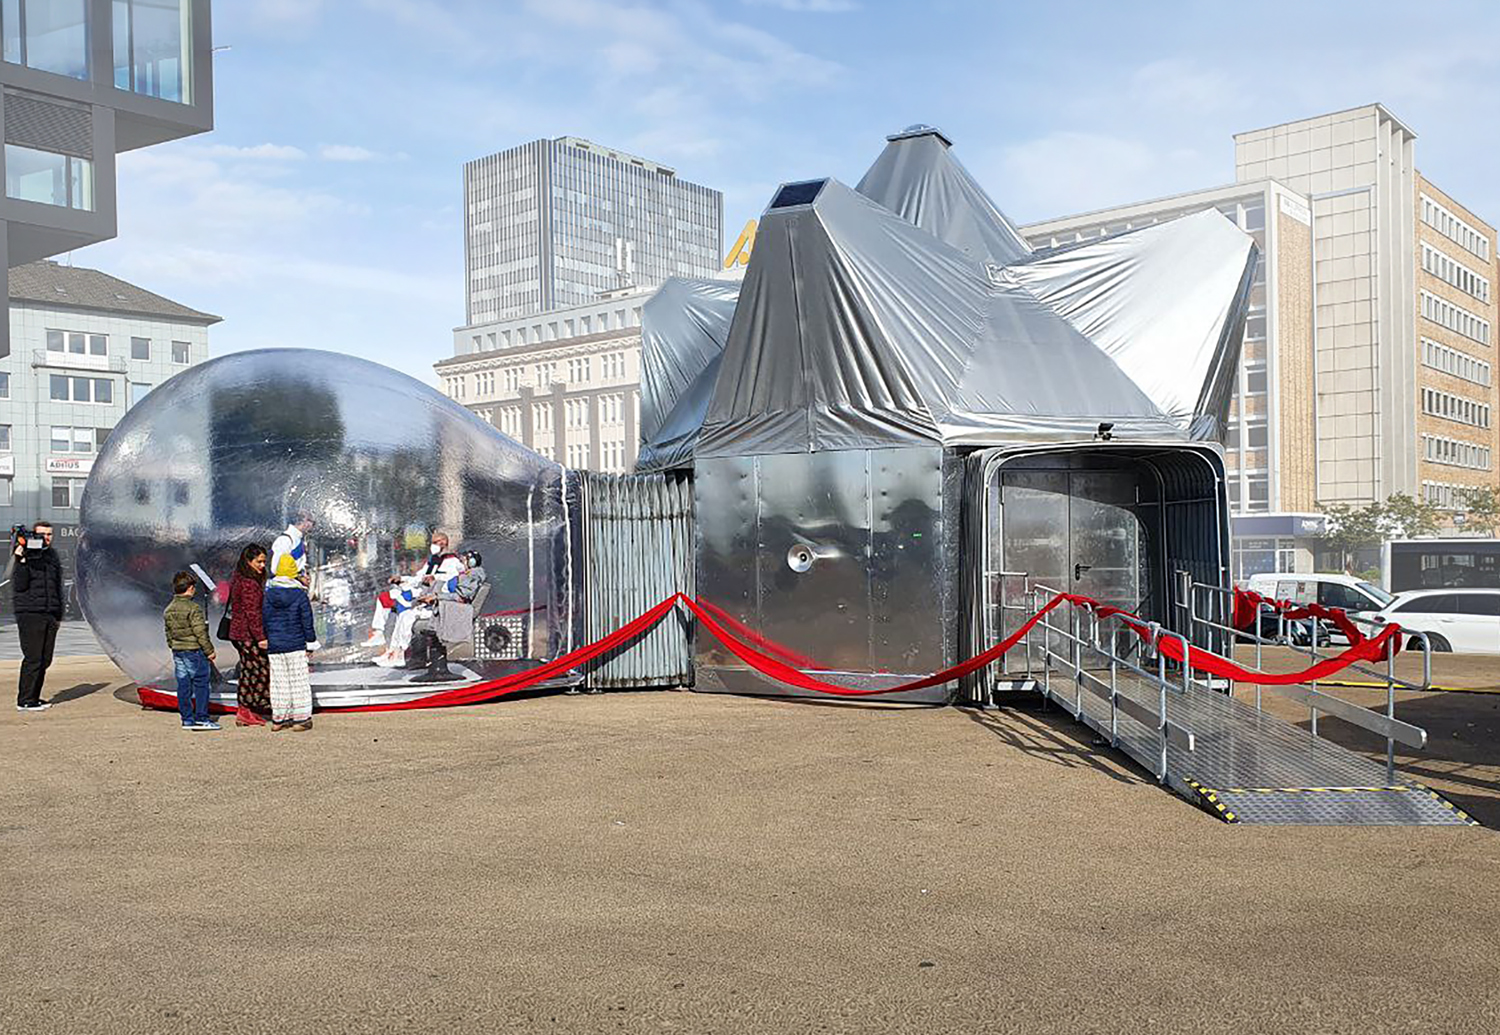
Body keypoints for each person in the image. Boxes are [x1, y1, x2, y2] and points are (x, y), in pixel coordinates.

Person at [374, 549, 465, 668]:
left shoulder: (456, 579)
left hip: (443, 609)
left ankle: (401, 653)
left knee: (407, 617)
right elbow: (425, 581)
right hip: (433, 604)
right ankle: (394, 651)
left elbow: (456, 597)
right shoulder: (444, 576)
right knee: (404, 616)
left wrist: (434, 594)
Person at [407, 552, 489, 679]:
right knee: (411, 616)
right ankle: (419, 660)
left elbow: (461, 596)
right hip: (449, 606)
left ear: (471, 562)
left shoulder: (474, 574)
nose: (462, 562)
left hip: (457, 610)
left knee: (415, 623)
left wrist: (436, 597)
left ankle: (422, 661)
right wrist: (434, 585)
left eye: (464, 560)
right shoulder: (467, 575)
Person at [262, 554, 320, 731]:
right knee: (298, 682)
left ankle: (279, 719)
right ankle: (301, 720)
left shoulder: (268, 594)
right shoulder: (299, 594)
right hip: (295, 644)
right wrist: (310, 643)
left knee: (279, 682)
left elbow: (264, 619)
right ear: (293, 573)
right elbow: (306, 621)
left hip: (275, 645)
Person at [11, 522, 64, 713]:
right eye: (42, 534)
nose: (46, 538)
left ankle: (34, 697)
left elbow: (57, 587)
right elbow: (20, 586)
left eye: (49, 534)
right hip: (30, 613)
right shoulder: (24, 555)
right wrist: (21, 559)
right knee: (33, 658)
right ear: (34, 535)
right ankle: (24, 700)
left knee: (45, 659)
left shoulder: (52, 556)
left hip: (49, 613)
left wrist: (58, 615)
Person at [164, 571, 219, 731]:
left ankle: (187, 718)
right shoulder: (193, 608)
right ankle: (202, 717)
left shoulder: (169, 609)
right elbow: (200, 632)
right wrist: (209, 650)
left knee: (183, 685)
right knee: (201, 684)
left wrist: (173, 645)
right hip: (194, 651)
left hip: (178, 650)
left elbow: (167, 632)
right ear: (190, 588)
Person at [227, 544, 271, 727]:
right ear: (248, 561)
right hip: (247, 634)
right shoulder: (249, 583)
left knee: (251, 670)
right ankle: (245, 710)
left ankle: (248, 710)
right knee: (253, 672)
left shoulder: (241, 577)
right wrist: (260, 637)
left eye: (264, 561)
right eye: (258, 561)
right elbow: (252, 612)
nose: (262, 565)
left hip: (242, 632)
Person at [362, 555, 427, 649]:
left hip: (418, 598)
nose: (412, 565)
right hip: (410, 595)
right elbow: (416, 580)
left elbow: (423, 581)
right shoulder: (424, 569)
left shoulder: (434, 566)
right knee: (383, 599)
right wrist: (401, 579)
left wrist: (403, 581)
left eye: (414, 562)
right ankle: (379, 632)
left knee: (402, 620)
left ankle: (398, 650)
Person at [269, 512, 315, 585]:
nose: (312, 526)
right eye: (312, 522)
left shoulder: (299, 540)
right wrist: (299, 577)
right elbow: (275, 569)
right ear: (304, 521)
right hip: (285, 589)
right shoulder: (285, 540)